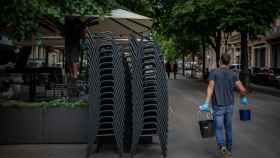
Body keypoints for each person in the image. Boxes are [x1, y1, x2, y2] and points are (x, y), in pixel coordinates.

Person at [199, 53, 248, 157]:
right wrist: (243, 97)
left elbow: (210, 87)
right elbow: (242, 89)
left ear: (220, 61)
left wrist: (206, 103)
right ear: (229, 62)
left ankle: (223, 147)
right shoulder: (233, 74)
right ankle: (229, 149)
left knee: (219, 128)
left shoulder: (214, 72)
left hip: (218, 105)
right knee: (228, 127)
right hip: (230, 105)